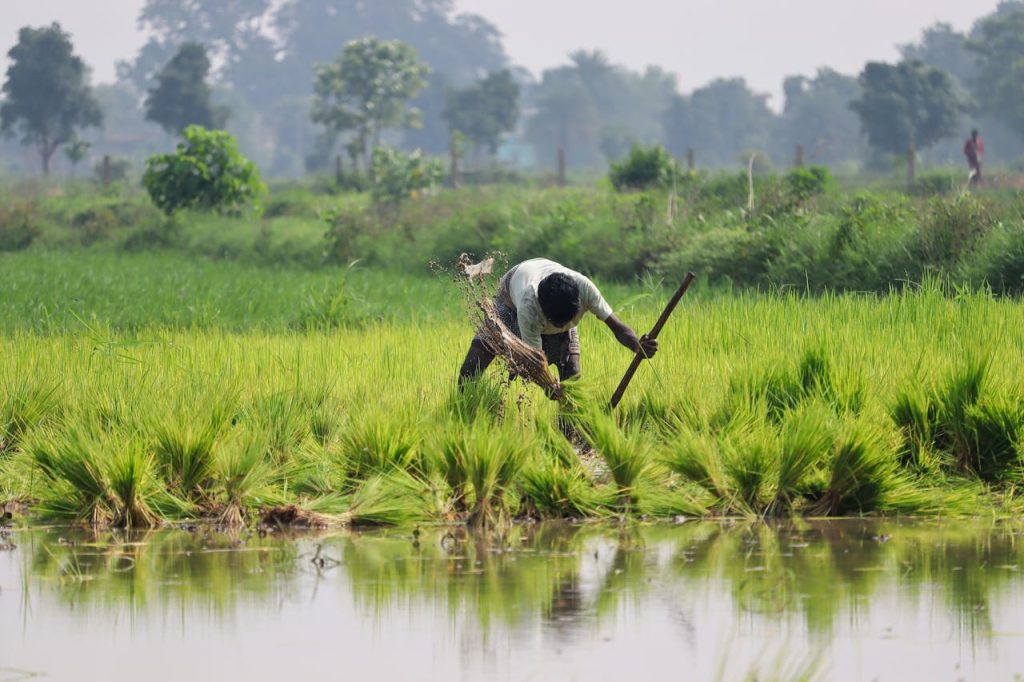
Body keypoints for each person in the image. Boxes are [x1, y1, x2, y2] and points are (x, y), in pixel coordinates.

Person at [458, 258, 658, 397]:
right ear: (543, 310)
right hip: (510, 299)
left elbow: (618, 327)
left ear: (578, 305)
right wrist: (549, 386)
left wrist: (637, 346)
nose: (563, 326)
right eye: (557, 322)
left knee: (572, 381)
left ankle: (569, 434)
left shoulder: (585, 289)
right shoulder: (529, 306)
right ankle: (462, 410)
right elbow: (535, 361)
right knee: (474, 360)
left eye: (567, 321)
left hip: (550, 297)